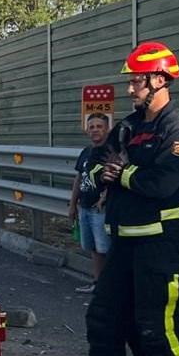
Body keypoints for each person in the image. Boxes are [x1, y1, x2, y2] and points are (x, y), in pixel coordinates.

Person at [58, 42, 179, 356]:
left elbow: (162, 183)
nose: (130, 88)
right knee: (104, 316)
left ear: (159, 80)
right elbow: (106, 161)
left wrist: (124, 173)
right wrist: (119, 171)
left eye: (137, 81)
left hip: (159, 242)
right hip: (123, 238)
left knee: (156, 322)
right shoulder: (130, 126)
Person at [70, 113, 113, 293]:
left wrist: (105, 196)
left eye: (99, 126)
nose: (95, 130)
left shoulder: (111, 152)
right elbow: (79, 178)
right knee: (93, 247)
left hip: (101, 209)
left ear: (107, 129)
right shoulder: (86, 152)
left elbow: (115, 176)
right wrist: (73, 204)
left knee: (105, 247)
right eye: (92, 127)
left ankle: (110, 285)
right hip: (85, 206)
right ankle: (97, 283)